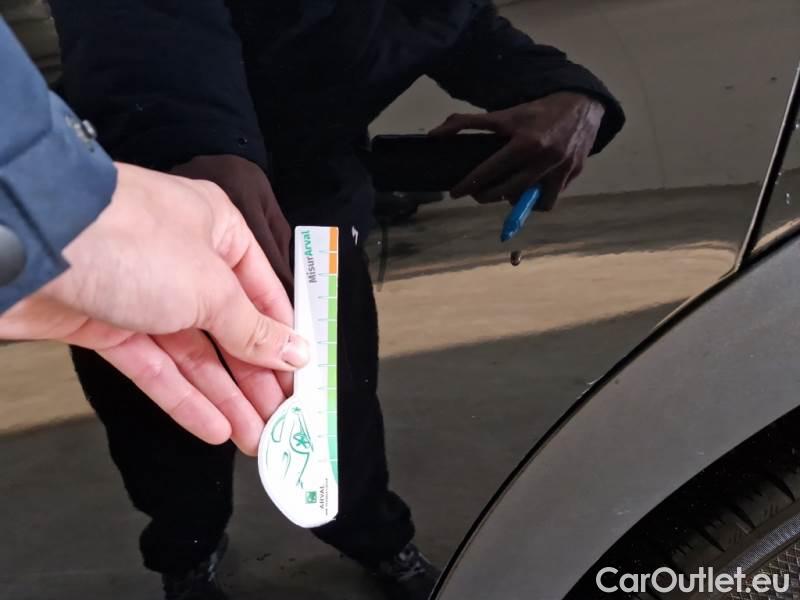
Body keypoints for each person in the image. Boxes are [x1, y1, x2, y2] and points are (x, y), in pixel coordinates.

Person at [48, 2, 626, 599]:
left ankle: (378, 540)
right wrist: (193, 141)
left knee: (337, 409)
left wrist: (577, 96)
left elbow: (470, 31)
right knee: (161, 413)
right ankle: (187, 554)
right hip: (148, 201)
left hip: (312, 215)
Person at [0, 17, 306, 455]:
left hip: (298, 156)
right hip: (159, 139)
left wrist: (59, 216)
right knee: (167, 429)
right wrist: (66, 214)